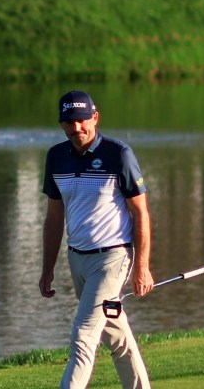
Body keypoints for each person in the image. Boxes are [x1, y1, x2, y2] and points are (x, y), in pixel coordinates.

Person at [39, 90, 153, 389]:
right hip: (77, 259)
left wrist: (142, 267)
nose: (76, 128)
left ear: (95, 118)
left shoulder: (119, 154)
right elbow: (54, 219)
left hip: (112, 258)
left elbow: (140, 212)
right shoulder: (56, 157)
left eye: (82, 120)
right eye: (69, 122)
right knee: (115, 335)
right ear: (62, 124)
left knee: (84, 335)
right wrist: (47, 269)